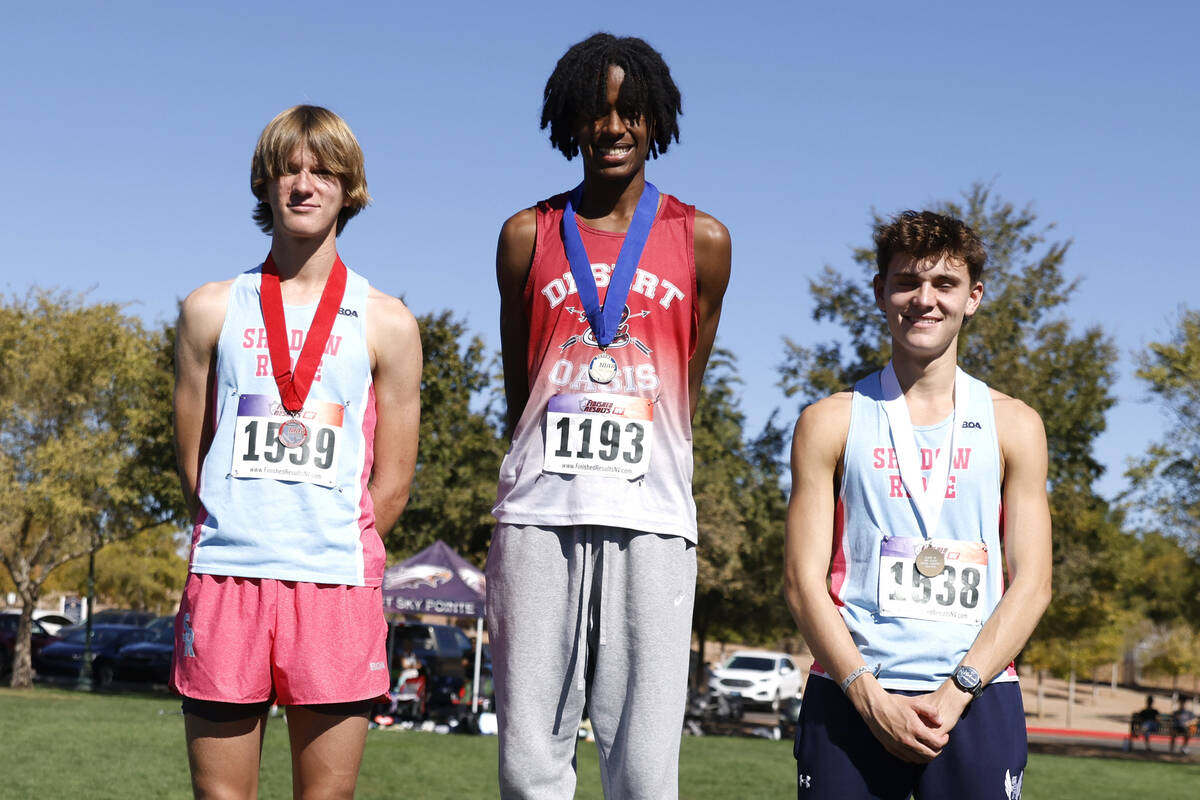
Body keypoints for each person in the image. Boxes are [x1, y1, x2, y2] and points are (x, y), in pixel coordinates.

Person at [487, 32, 731, 799]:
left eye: (630, 112)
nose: (614, 128)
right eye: (597, 112)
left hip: (652, 517)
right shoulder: (526, 235)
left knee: (646, 772)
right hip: (540, 514)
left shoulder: (703, 241)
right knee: (530, 765)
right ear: (571, 121)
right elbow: (518, 380)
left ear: (656, 119)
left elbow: (684, 384)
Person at [171, 105, 422, 799]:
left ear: (350, 188)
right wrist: (245, 522)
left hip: (335, 583)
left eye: (323, 172)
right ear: (265, 184)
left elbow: (393, 483)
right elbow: (194, 460)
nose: (303, 185)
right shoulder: (210, 309)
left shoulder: (388, 322)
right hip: (228, 577)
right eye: (288, 170)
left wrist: (327, 537)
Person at [784, 211, 1052, 799]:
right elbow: (802, 583)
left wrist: (956, 692)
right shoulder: (829, 421)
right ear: (880, 291)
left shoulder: (1015, 426)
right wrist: (868, 697)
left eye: (945, 285)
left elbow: (1032, 583)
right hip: (852, 694)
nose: (923, 300)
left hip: (975, 695)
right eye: (906, 282)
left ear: (973, 298)